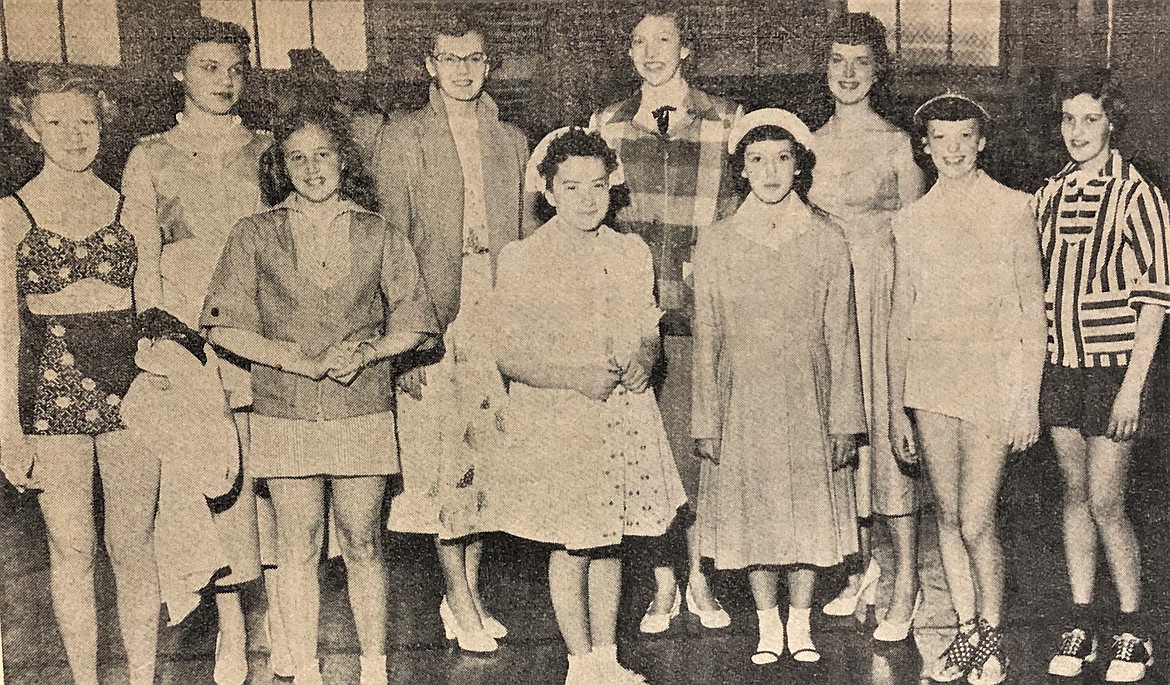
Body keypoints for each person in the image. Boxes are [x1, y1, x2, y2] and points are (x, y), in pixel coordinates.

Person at [201, 105, 438, 685]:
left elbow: (417, 320)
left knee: (363, 543)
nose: (311, 169)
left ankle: (374, 670)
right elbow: (221, 323)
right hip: (284, 409)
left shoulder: (379, 232)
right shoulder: (253, 233)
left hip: (362, 406)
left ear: (344, 161)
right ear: (281, 167)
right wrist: (292, 358)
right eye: (297, 158)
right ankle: (304, 669)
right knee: (298, 545)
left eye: (323, 155)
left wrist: (369, 352)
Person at [119, 17, 288, 684]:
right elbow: (142, 263)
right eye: (208, 67)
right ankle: (232, 629)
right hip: (192, 348)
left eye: (234, 68)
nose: (224, 80)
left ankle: (280, 613)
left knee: (269, 477)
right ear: (179, 74)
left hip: (264, 339)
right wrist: (157, 347)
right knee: (217, 483)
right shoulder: (151, 156)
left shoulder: (270, 149)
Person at [492, 127, 687, 685]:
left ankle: (607, 658)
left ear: (612, 187)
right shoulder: (524, 257)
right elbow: (508, 355)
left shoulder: (631, 252)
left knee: (610, 541)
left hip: (622, 416)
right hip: (560, 418)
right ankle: (579, 664)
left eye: (598, 185)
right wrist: (575, 377)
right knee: (573, 542)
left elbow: (648, 332)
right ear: (548, 191)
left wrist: (645, 360)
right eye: (571, 186)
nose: (587, 198)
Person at [372, 13, 529, 653]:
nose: (463, 70)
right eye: (449, 59)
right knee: (439, 457)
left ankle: (467, 591)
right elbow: (391, 243)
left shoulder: (512, 140)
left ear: (487, 65)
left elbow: (524, 243)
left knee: (484, 459)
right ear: (430, 66)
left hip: (494, 311)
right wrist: (409, 331)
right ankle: (458, 596)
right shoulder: (403, 137)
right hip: (433, 317)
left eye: (474, 59)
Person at [0, 65, 159, 685]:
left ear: (104, 125)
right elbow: (4, 334)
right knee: (72, 551)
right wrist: (8, 432)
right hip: (50, 389)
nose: (74, 135)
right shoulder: (11, 214)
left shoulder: (129, 204)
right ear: (29, 128)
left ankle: (143, 678)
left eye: (86, 121)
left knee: (134, 546)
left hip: (131, 391)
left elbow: (152, 314)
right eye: (56, 121)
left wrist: (170, 399)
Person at [691, 108, 864, 665]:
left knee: (807, 512)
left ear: (799, 167)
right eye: (757, 160)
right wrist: (705, 418)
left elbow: (843, 336)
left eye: (782, 159)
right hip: (742, 400)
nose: (770, 172)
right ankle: (767, 623)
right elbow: (707, 339)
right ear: (740, 169)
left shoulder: (827, 237)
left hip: (809, 397)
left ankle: (800, 621)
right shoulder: (717, 242)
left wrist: (845, 419)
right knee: (754, 513)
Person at [589, 2, 742, 633]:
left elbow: (739, 213)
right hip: (634, 319)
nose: (653, 52)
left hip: (703, 314)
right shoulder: (606, 124)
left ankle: (701, 576)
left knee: (700, 449)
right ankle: (660, 583)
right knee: (642, 450)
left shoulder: (728, 121)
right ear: (629, 53)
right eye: (640, 43)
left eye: (665, 40)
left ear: (685, 50)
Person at [887, 93, 1046, 685]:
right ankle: (966, 634)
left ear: (981, 142)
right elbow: (900, 318)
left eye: (964, 137)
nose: (952, 149)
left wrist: (1025, 397)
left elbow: (1034, 312)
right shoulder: (910, 219)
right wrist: (897, 408)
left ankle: (991, 635)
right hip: (931, 382)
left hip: (991, 383)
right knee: (948, 516)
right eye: (940, 138)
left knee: (978, 520)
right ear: (925, 147)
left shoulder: (1013, 208)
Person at [1037, 70, 1170, 684]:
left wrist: (1133, 387)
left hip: (1115, 371)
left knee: (1107, 502)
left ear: (1112, 122)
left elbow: (1155, 300)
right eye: (1068, 119)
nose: (1078, 131)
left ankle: (1134, 632)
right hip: (1060, 365)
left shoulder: (1138, 195)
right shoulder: (1049, 194)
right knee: (1073, 498)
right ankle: (1081, 620)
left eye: (1091, 119)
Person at [808, 12, 926, 639]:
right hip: (827, 305)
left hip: (879, 304)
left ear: (878, 71)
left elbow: (915, 239)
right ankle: (862, 568)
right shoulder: (806, 141)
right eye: (837, 61)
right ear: (824, 69)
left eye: (860, 63)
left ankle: (906, 579)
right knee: (840, 435)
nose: (848, 74)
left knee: (884, 436)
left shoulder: (897, 144)